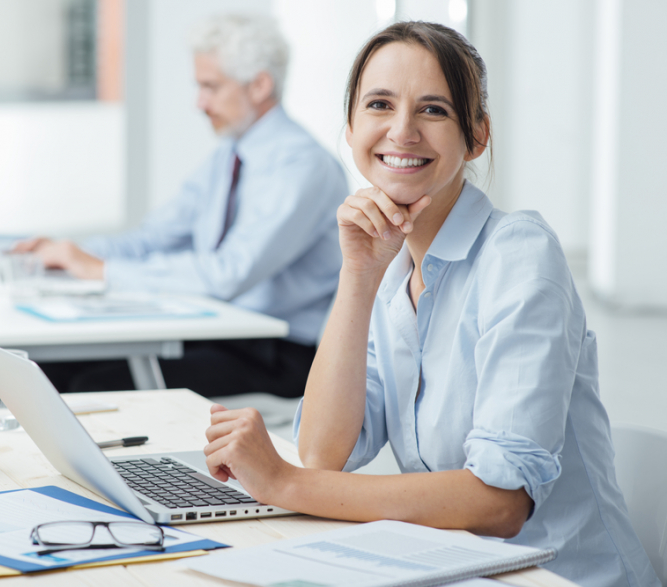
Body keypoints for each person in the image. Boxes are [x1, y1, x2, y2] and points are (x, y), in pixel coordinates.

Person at [201, 21, 658, 587]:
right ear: (350, 127)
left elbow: (500, 503)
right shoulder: (389, 267)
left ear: (477, 135)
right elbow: (323, 453)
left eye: (434, 110)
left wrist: (283, 484)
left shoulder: (519, 256)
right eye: (379, 104)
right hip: (453, 571)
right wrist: (358, 276)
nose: (402, 131)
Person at [15, 14, 347, 398]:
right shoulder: (228, 156)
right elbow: (155, 237)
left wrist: (102, 270)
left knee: (97, 387)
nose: (199, 103)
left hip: (277, 353)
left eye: (211, 87)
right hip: (215, 333)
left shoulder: (302, 166)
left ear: (259, 85)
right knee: (47, 367)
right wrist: (71, 253)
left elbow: (228, 274)